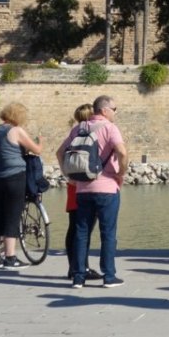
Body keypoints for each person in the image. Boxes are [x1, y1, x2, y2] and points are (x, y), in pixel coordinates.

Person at [57, 95, 129, 289]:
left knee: (81, 232)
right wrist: (121, 172)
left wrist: (68, 175)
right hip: (106, 188)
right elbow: (121, 151)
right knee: (108, 233)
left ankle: (78, 277)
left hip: (82, 189)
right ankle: (109, 276)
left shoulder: (79, 128)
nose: (115, 112)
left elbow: (59, 152)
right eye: (115, 109)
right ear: (105, 110)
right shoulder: (110, 128)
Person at [0, 102, 42, 269]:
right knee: (12, 217)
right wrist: (41, 141)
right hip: (15, 178)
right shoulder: (16, 130)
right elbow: (37, 150)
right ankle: (10, 258)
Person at [66, 103, 101, 280]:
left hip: (73, 183)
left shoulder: (74, 132)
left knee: (74, 227)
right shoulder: (90, 132)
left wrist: (68, 175)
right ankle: (82, 268)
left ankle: (73, 267)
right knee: (84, 229)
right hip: (85, 183)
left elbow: (60, 153)